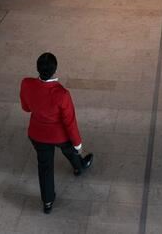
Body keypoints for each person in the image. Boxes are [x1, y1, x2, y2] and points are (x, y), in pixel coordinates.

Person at [20, 52, 93, 214]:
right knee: (71, 150)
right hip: (59, 135)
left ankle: (47, 202)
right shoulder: (62, 94)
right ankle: (79, 167)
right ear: (55, 70)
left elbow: (26, 108)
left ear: (37, 68)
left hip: (37, 134)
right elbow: (70, 121)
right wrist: (78, 143)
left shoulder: (26, 83)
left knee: (45, 168)